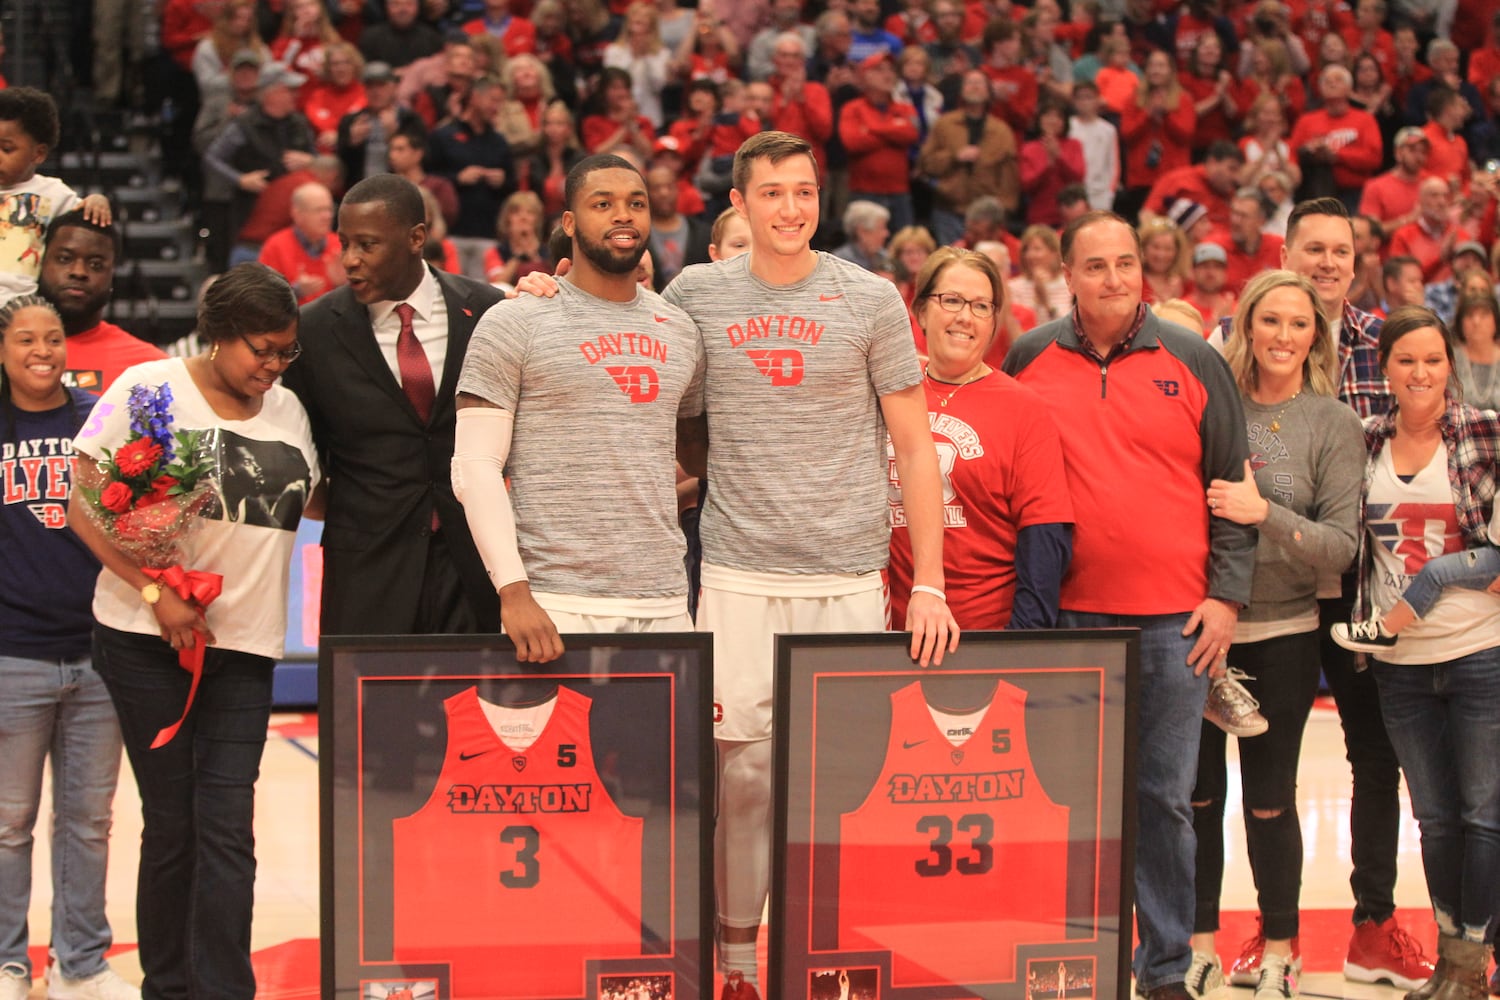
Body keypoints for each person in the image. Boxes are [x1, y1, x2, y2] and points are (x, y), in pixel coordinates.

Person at [669, 131, 955, 995]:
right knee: (745, 776)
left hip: (847, 576)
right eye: (772, 194)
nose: (791, 209)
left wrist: (929, 582)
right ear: (739, 205)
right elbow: (619, 340)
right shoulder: (695, 294)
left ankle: (826, 954)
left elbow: (915, 448)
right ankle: (738, 959)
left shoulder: (868, 299)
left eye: (804, 192)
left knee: (842, 785)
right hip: (740, 574)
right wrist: (544, 286)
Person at [1001, 210, 1257, 1000]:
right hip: (1064, 624)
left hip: (1173, 624)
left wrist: (1226, 599)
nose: (1113, 279)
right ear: (1067, 276)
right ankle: (1069, 961)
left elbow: (1233, 491)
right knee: (1062, 802)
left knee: (1161, 802)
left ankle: (1166, 970)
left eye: (1125, 264)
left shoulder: (1192, 359)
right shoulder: (1029, 355)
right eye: (1096, 266)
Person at [68, 264, 320, 1000]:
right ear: (219, 335)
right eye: (262, 351)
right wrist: (153, 593)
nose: (273, 367)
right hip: (146, 639)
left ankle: (225, 990)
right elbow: (83, 505)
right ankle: (170, 987)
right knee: (174, 824)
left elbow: (315, 500)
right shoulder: (150, 388)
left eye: (286, 353)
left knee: (228, 827)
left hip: (246, 646)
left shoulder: (291, 412)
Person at [1236, 197, 1431, 992]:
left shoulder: (1384, 340)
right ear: (1285, 252)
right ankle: (1271, 924)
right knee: (1266, 772)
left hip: (1360, 588)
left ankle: (1371, 925)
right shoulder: (1242, 339)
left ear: (1357, 259)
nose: (1326, 263)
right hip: (1271, 590)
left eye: (1340, 251)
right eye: (1311, 248)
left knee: (1373, 758)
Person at [1188, 270, 1365, 1000]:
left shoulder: (1334, 423)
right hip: (1198, 628)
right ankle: (1197, 943)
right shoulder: (1210, 406)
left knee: (1269, 800)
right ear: (1245, 328)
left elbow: (1341, 547)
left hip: (1286, 631)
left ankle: (1281, 949)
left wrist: (1266, 515)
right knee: (1194, 798)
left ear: (1313, 336)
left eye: (1298, 324)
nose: (1283, 336)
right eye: (1270, 321)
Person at [452, 154, 705, 658]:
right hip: (554, 599)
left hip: (664, 597)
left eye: (636, 203)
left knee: (663, 741)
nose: (623, 215)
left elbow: (696, 453)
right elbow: (473, 468)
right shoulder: (515, 322)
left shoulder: (680, 329)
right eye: (602, 203)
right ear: (569, 223)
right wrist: (513, 591)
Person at [1341, 305, 1500, 1000]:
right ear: (1385, 369)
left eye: (1433, 359)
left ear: (1450, 365)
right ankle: (1451, 962)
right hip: (1398, 665)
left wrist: (1442, 577)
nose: (1420, 372)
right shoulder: (1363, 440)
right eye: (1406, 359)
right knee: (1434, 820)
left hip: (1479, 652)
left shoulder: (1486, 431)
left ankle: (1471, 965)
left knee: (1485, 815)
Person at [282, 174, 505, 636]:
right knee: (367, 709)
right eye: (343, 243)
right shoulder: (314, 329)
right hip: (367, 569)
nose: (349, 260)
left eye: (367, 244)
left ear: (416, 238)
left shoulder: (486, 310)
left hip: (476, 563)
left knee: (475, 707)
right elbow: (302, 459)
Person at [0, 296, 138, 1000]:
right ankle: (8, 963)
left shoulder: (96, 418)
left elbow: (136, 515)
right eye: (25, 338)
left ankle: (80, 963)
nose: (42, 350)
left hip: (97, 651)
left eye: (52, 337)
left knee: (87, 821)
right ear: (3, 349)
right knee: (8, 823)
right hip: (12, 653)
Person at [888, 246, 1073, 630]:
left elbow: (1043, 535)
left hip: (983, 634)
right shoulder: (889, 396)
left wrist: (1020, 642)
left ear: (994, 321)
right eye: (951, 300)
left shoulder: (1023, 409)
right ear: (920, 310)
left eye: (981, 306)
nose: (965, 317)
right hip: (884, 631)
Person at [0, 89, 112, 302]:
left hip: (25, 303)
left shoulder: (54, 194)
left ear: (38, 153)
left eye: (6, 149)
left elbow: (86, 221)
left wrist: (98, 201)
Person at [37, 212, 164, 395]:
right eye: (65, 259)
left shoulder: (148, 368)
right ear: (40, 263)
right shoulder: (8, 351)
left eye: (96, 265)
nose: (79, 272)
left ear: (112, 276)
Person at [917, 67, 1020, 247]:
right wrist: (954, 157)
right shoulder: (944, 124)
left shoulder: (1002, 131)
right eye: (969, 83)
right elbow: (926, 163)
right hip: (948, 209)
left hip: (987, 217)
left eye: (979, 83)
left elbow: (1009, 176)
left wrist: (1004, 209)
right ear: (961, 90)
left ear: (989, 92)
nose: (974, 87)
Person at [258, 181, 346, 304]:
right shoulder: (275, 246)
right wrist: (295, 291)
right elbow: (262, 298)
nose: (328, 216)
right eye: (319, 210)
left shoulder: (341, 244)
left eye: (329, 209)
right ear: (297, 214)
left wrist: (343, 285)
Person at [1448, 292, 1500, 410]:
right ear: (1460, 323)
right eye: (1470, 315)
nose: (1476, 321)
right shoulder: (1449, 360)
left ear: (1496, 321)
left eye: (1484, 315)